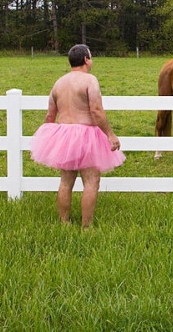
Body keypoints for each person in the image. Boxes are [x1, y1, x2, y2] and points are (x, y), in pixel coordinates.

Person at [30, 44, 126, 228]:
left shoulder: (59, 82)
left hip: (65, 135)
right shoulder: (90, 81)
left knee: (66, 182)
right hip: (86, 136)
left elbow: (50, 116)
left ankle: (64, 223)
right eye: (91, 56)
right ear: (86, 59)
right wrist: (110, 135)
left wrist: (48, 140)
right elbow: (96, 111)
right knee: (91, 181)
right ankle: (86, 226)